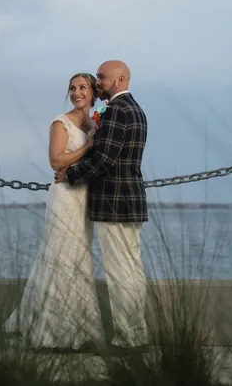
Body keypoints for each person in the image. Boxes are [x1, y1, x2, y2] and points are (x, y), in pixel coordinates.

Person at [3, 73, 106, 352]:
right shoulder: (61, 123)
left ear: (93, 92)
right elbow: (55, 161)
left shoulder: (97, 122)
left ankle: (80, 328)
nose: (76, 92)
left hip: (85, 197)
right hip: (64, 197)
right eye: (72, 88)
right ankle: (51, 330)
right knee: (58, 254)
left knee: (80, 258)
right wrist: (87, 146)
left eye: (82, 87)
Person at [55, 60, 149, 351]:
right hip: (130, 200)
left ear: (119, 80)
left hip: (113, 203)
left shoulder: (118, 111)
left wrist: (70, 175)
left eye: (102, 78)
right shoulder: (137, 110)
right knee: (132, 269)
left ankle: (129, 339)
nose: (98, 83)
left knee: (121, 273)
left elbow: (104, 159)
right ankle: (137, 334)